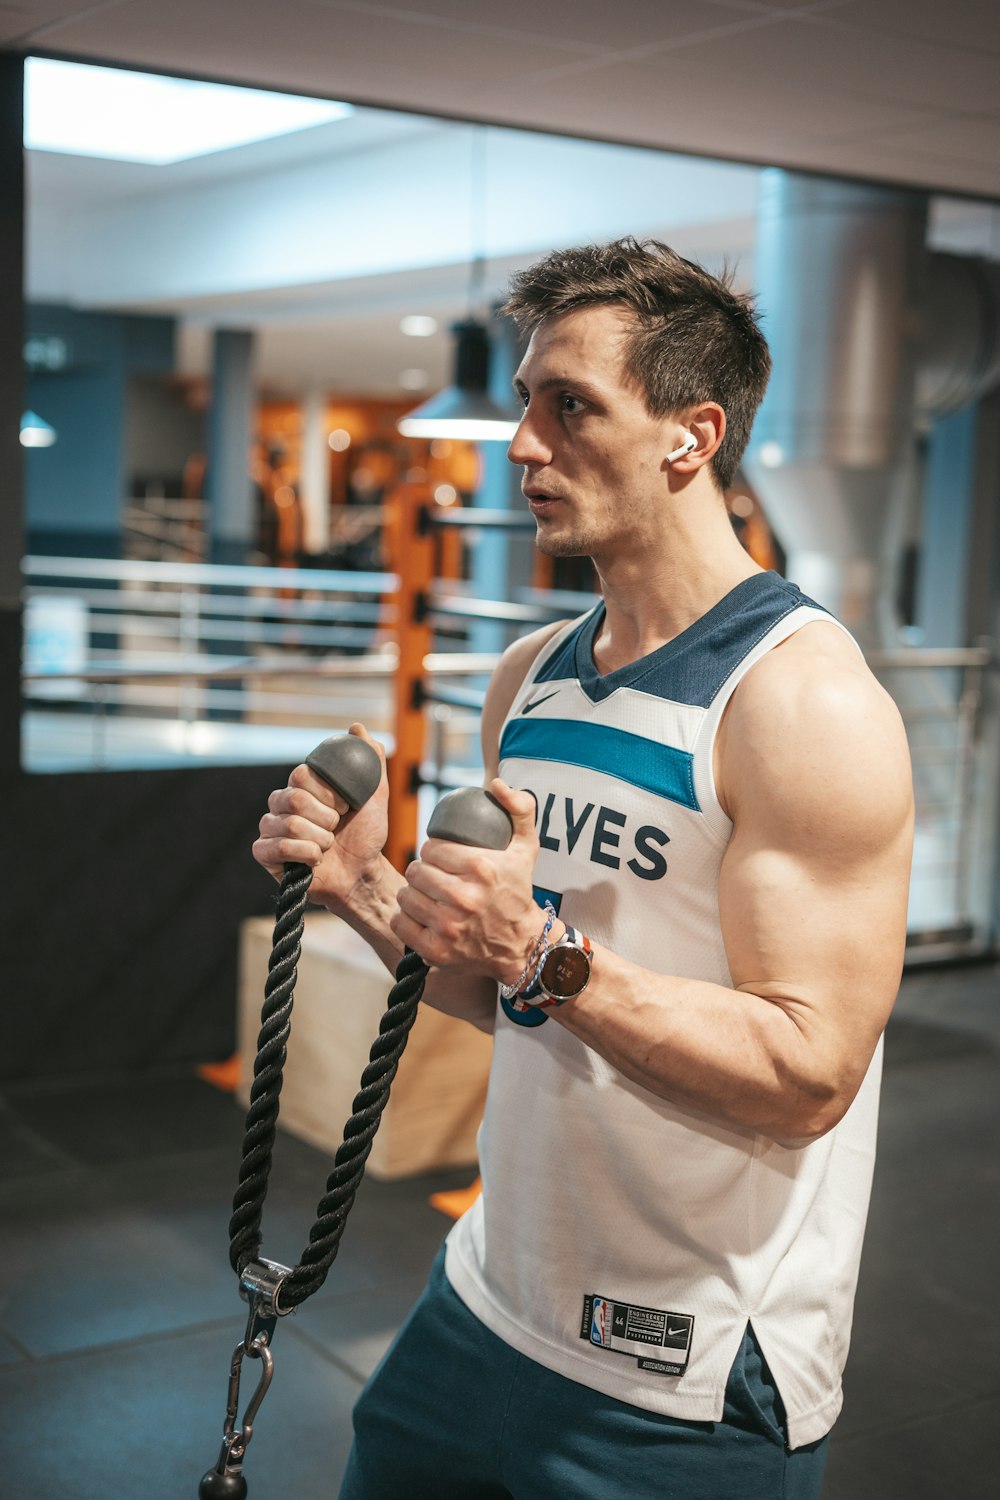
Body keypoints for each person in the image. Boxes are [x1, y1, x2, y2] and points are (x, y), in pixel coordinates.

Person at [253, 238, 913, 1499]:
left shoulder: (799, 702)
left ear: (690, 435)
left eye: (571, 407)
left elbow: (807, 1074)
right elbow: (493, 993)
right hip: (492, 1294)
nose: (521, 447)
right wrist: (364, 888)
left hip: (687, 1368)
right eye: (523, 404)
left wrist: (543, 953)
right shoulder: (535, 678)